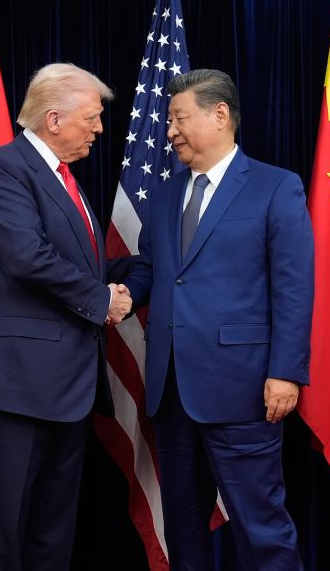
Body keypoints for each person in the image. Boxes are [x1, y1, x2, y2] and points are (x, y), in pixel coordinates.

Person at [123, 69, 314, 570]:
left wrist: (286, 372)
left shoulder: (276, 187)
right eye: (168, 120)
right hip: (172, 393)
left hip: (245, 389)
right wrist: (121, 295)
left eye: (179, 118)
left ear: (220, 115)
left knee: (261, 528)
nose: (169, 132)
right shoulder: (166, 196)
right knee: (184, 533)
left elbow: (293, 288)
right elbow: (153, 269)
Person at [0, 63, 132, 571]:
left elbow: (77, 262)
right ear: (54, 119)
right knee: (5, 531)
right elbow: (27, 257)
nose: (98, 128)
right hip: (15, 380)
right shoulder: (6, 167)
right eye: (92, 118)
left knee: (53, 531)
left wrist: (135, 274)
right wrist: (102, 299)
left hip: (66, 385)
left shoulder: (64, 178)